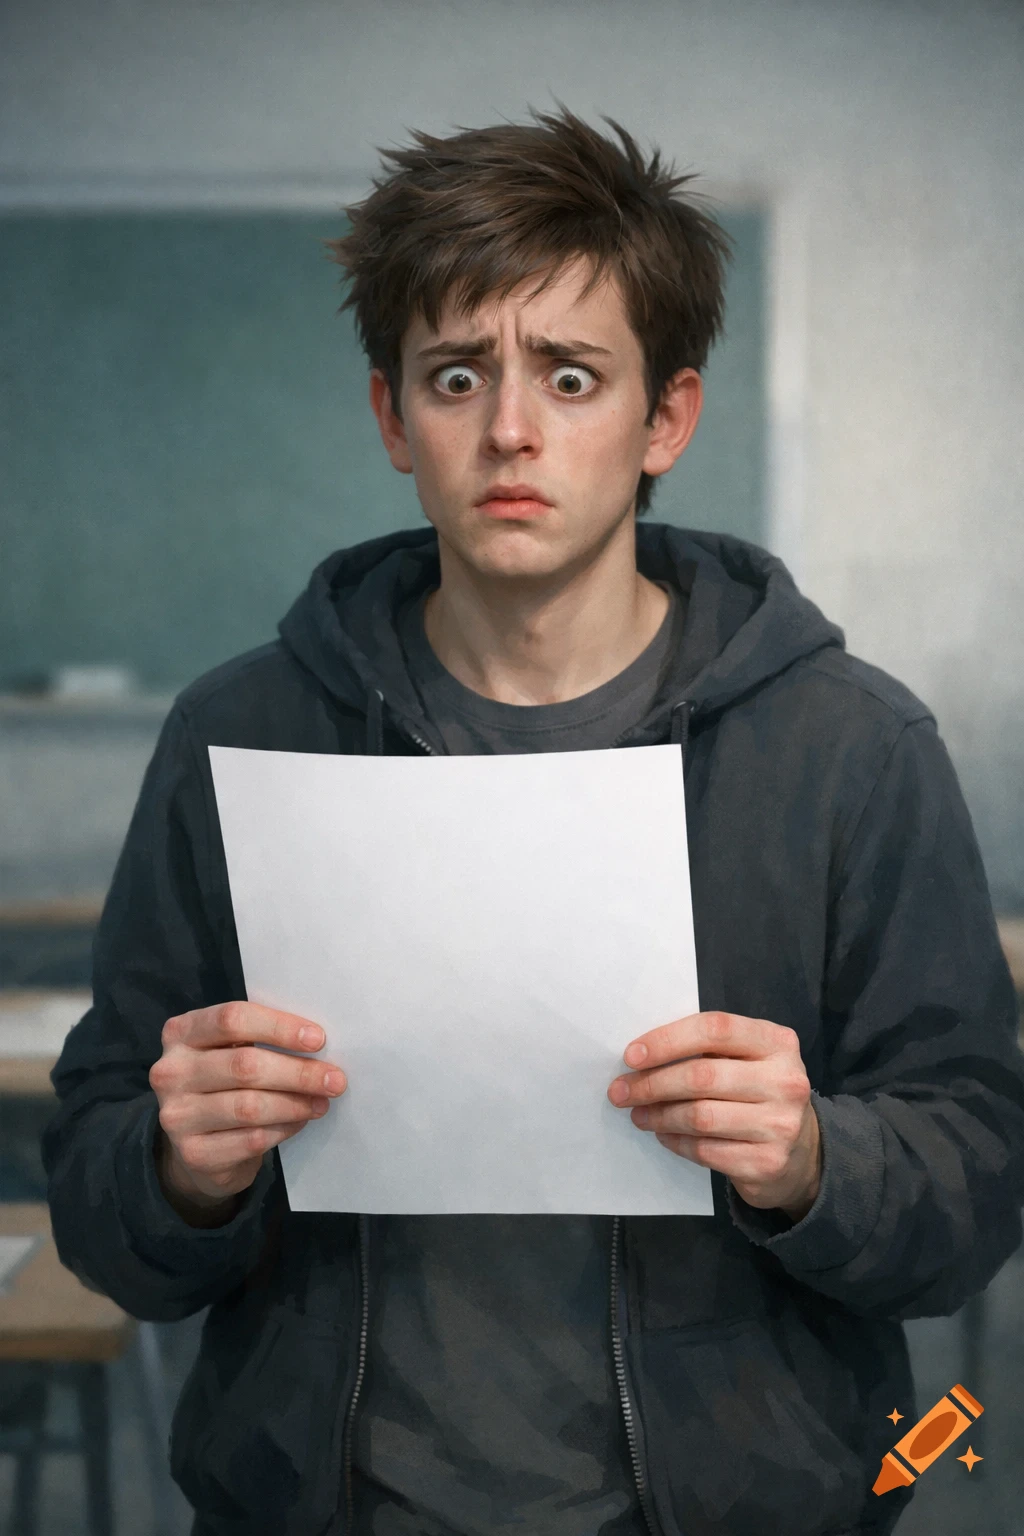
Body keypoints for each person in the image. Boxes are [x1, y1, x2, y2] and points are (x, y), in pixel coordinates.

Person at [43, 104, 1024, 1536]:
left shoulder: (851, 748)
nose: (511, 430)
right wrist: (180, 1170)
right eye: (456, 376)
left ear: (664, 420)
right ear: (392, 417)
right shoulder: (239, 733)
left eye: (572, 376)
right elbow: (99, 1198)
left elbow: (980, 1187)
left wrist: (819, 1159)